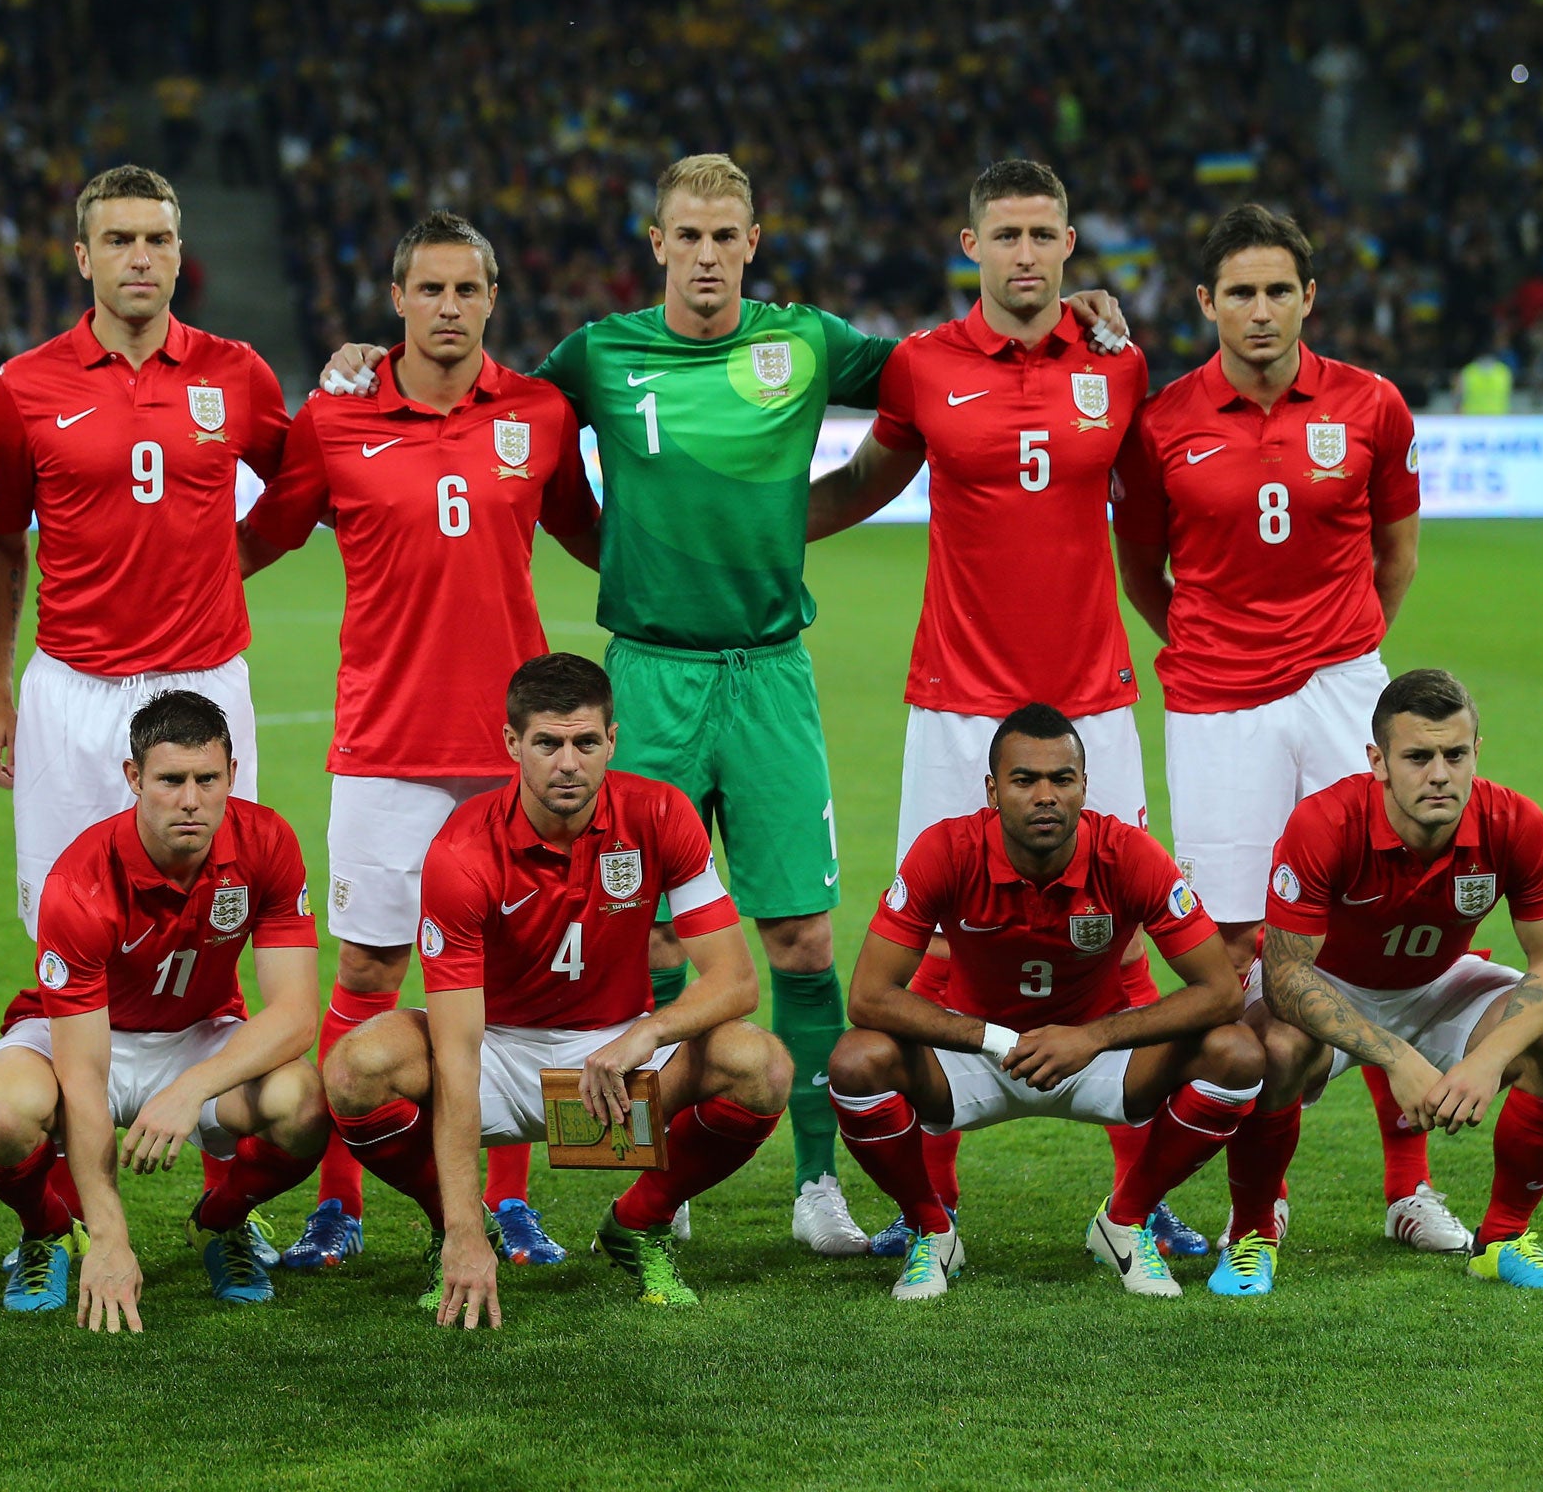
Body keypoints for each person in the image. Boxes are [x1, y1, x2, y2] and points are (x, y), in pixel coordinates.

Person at [323, 155, 1117, 1254]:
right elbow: (508, 417)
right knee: (638, 936)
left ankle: (813, 1188)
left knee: (796, 937)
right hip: (647, 672)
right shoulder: (597, 356)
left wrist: (1066, 315)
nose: (704, 256)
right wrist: (370, 358)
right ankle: (655, 1182)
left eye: (723, 237)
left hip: (769, 674)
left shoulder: (806, 345)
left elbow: (944, 369)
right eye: (685, 237)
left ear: (753, 243)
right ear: (656, 245)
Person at [804, 159, 1197, 1256]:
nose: (1024, 252)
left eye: (1041, 233)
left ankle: (1136, 1205)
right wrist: (749, 532)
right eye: (1004, 233)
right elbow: (861, 485)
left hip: (1094, 704)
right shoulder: (923, 367)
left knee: (1114, 936)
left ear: (1070, 244)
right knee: (933, 948)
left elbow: (1160, 514)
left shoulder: (1116, 364)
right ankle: (931, 1214)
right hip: (952, 706)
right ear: (968, 244)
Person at [240, 211, 601, 1269]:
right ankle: (338, 1203)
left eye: (467, 291)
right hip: (385, 744)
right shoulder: (335, 418)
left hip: (514, 750)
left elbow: (594, 537)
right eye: (429, 291)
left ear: (493, 299)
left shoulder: (539, 414)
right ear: (395, 300)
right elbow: (259, 539)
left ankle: (513, 1201)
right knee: (367, 966)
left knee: (525, 978)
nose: (448, 309)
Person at [1112, 205, 1451, 1251]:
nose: (1258, 312)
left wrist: (1340, 660)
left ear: (1308, 298)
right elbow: (1141, 571)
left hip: (1343, 689)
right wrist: (1218, 647)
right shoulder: (1163, 420)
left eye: (1277, 292)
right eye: (1237, 293)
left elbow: (1392, 555)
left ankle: (1408, 1189)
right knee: (1236, 949)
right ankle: (1258, 1208)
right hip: (1216, 704)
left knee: (1386, 920)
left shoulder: (1369, 405)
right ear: (1204, 303)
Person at [322, 654, 791, 1322]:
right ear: (513, 744)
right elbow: (457, 1052)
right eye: (547, 743)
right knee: (355, 1069)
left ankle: (639, 1223)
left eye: (585, 743)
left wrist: (647, 1034)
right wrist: (460, 1225)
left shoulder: (660, 813)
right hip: (497, 1054)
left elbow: (736, 981)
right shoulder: (462, 852)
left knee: (761, 1066)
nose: (567, 763)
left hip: (618, 1055)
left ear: (612, 743)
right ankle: (457, 1228)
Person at [828, 704, 1264, 1300]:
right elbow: (868, 997)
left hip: (1095, 1054)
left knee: (1237, 1054)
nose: (1045, 796)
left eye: (1062, 779)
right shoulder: (945, 849)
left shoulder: (1129, 853)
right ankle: (933, 1229)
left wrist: (1092, 1037)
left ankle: (1125, 1220)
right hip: (979, 1056)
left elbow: (1220, 991)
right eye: (1024, 779)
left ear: (1084, 785)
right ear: (992, 789)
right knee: (856, 1062)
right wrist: (991, 1037)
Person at [0, 164, 290, 939]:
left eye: (156, 240)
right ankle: (83, 1065)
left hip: (206, 680)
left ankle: (208, 1056)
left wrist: (236, 554)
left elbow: (304, 487)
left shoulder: (236, 371)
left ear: (181, 254)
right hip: (73, 689)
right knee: (67, 918)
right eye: (118, 240)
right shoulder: (24, 385)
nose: (140, 257)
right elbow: (3, 546)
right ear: (84, 256)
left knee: (212, 914)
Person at [1211, 670, 1543, 1296]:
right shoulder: (1324, 823)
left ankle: (1503, 1241)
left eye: (1454, 755)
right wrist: (1396, 1056)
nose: (1439, 773)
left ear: (1475, 754)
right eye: (1418, 757)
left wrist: (1488, 1062)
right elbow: (1285, 975)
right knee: (1274, 1050)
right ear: (1378, 762)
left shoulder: (1514, 821)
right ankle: (1253, 1234)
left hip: (1438, 981)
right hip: (1327, 982)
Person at [0, 691, 327, 1329]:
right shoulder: (80, 884)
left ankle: (221, 1223)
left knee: (302, 1103)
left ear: (231, 776)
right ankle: (49, 1231)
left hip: (200, 1038)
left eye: (206, 779)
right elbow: (81, 1078)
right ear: (134, 779)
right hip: (80, 1036)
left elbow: (297, 1016)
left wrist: (191, 1088)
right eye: (170, 780)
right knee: (2, 1112)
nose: (190, 800)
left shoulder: (266, 841)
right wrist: (110, 1238)